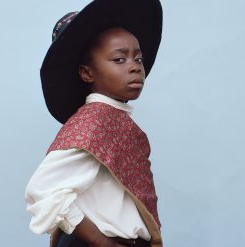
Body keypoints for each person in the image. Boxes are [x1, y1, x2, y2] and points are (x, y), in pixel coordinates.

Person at [25, 0, 163, 246]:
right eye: (119, 59)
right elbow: (42, 190)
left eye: (138, 59)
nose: (134, 68)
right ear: (87, 73)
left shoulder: (113, 119)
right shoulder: (95, 121)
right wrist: (101, 241)